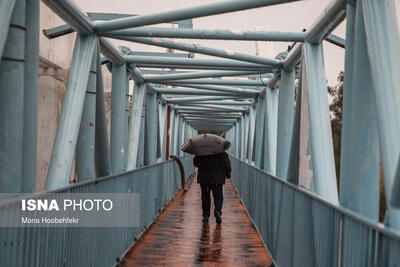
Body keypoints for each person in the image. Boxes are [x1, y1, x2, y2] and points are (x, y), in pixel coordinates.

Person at [193, 152, 231, 224]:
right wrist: (228, 175)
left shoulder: (202, 152)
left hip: (204, 179)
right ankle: (217, 211)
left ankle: (206, 216)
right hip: (217, 179)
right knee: (218, 197)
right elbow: (227, 165)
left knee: (205, 198)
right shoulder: (222, 153)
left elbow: (195, 163)